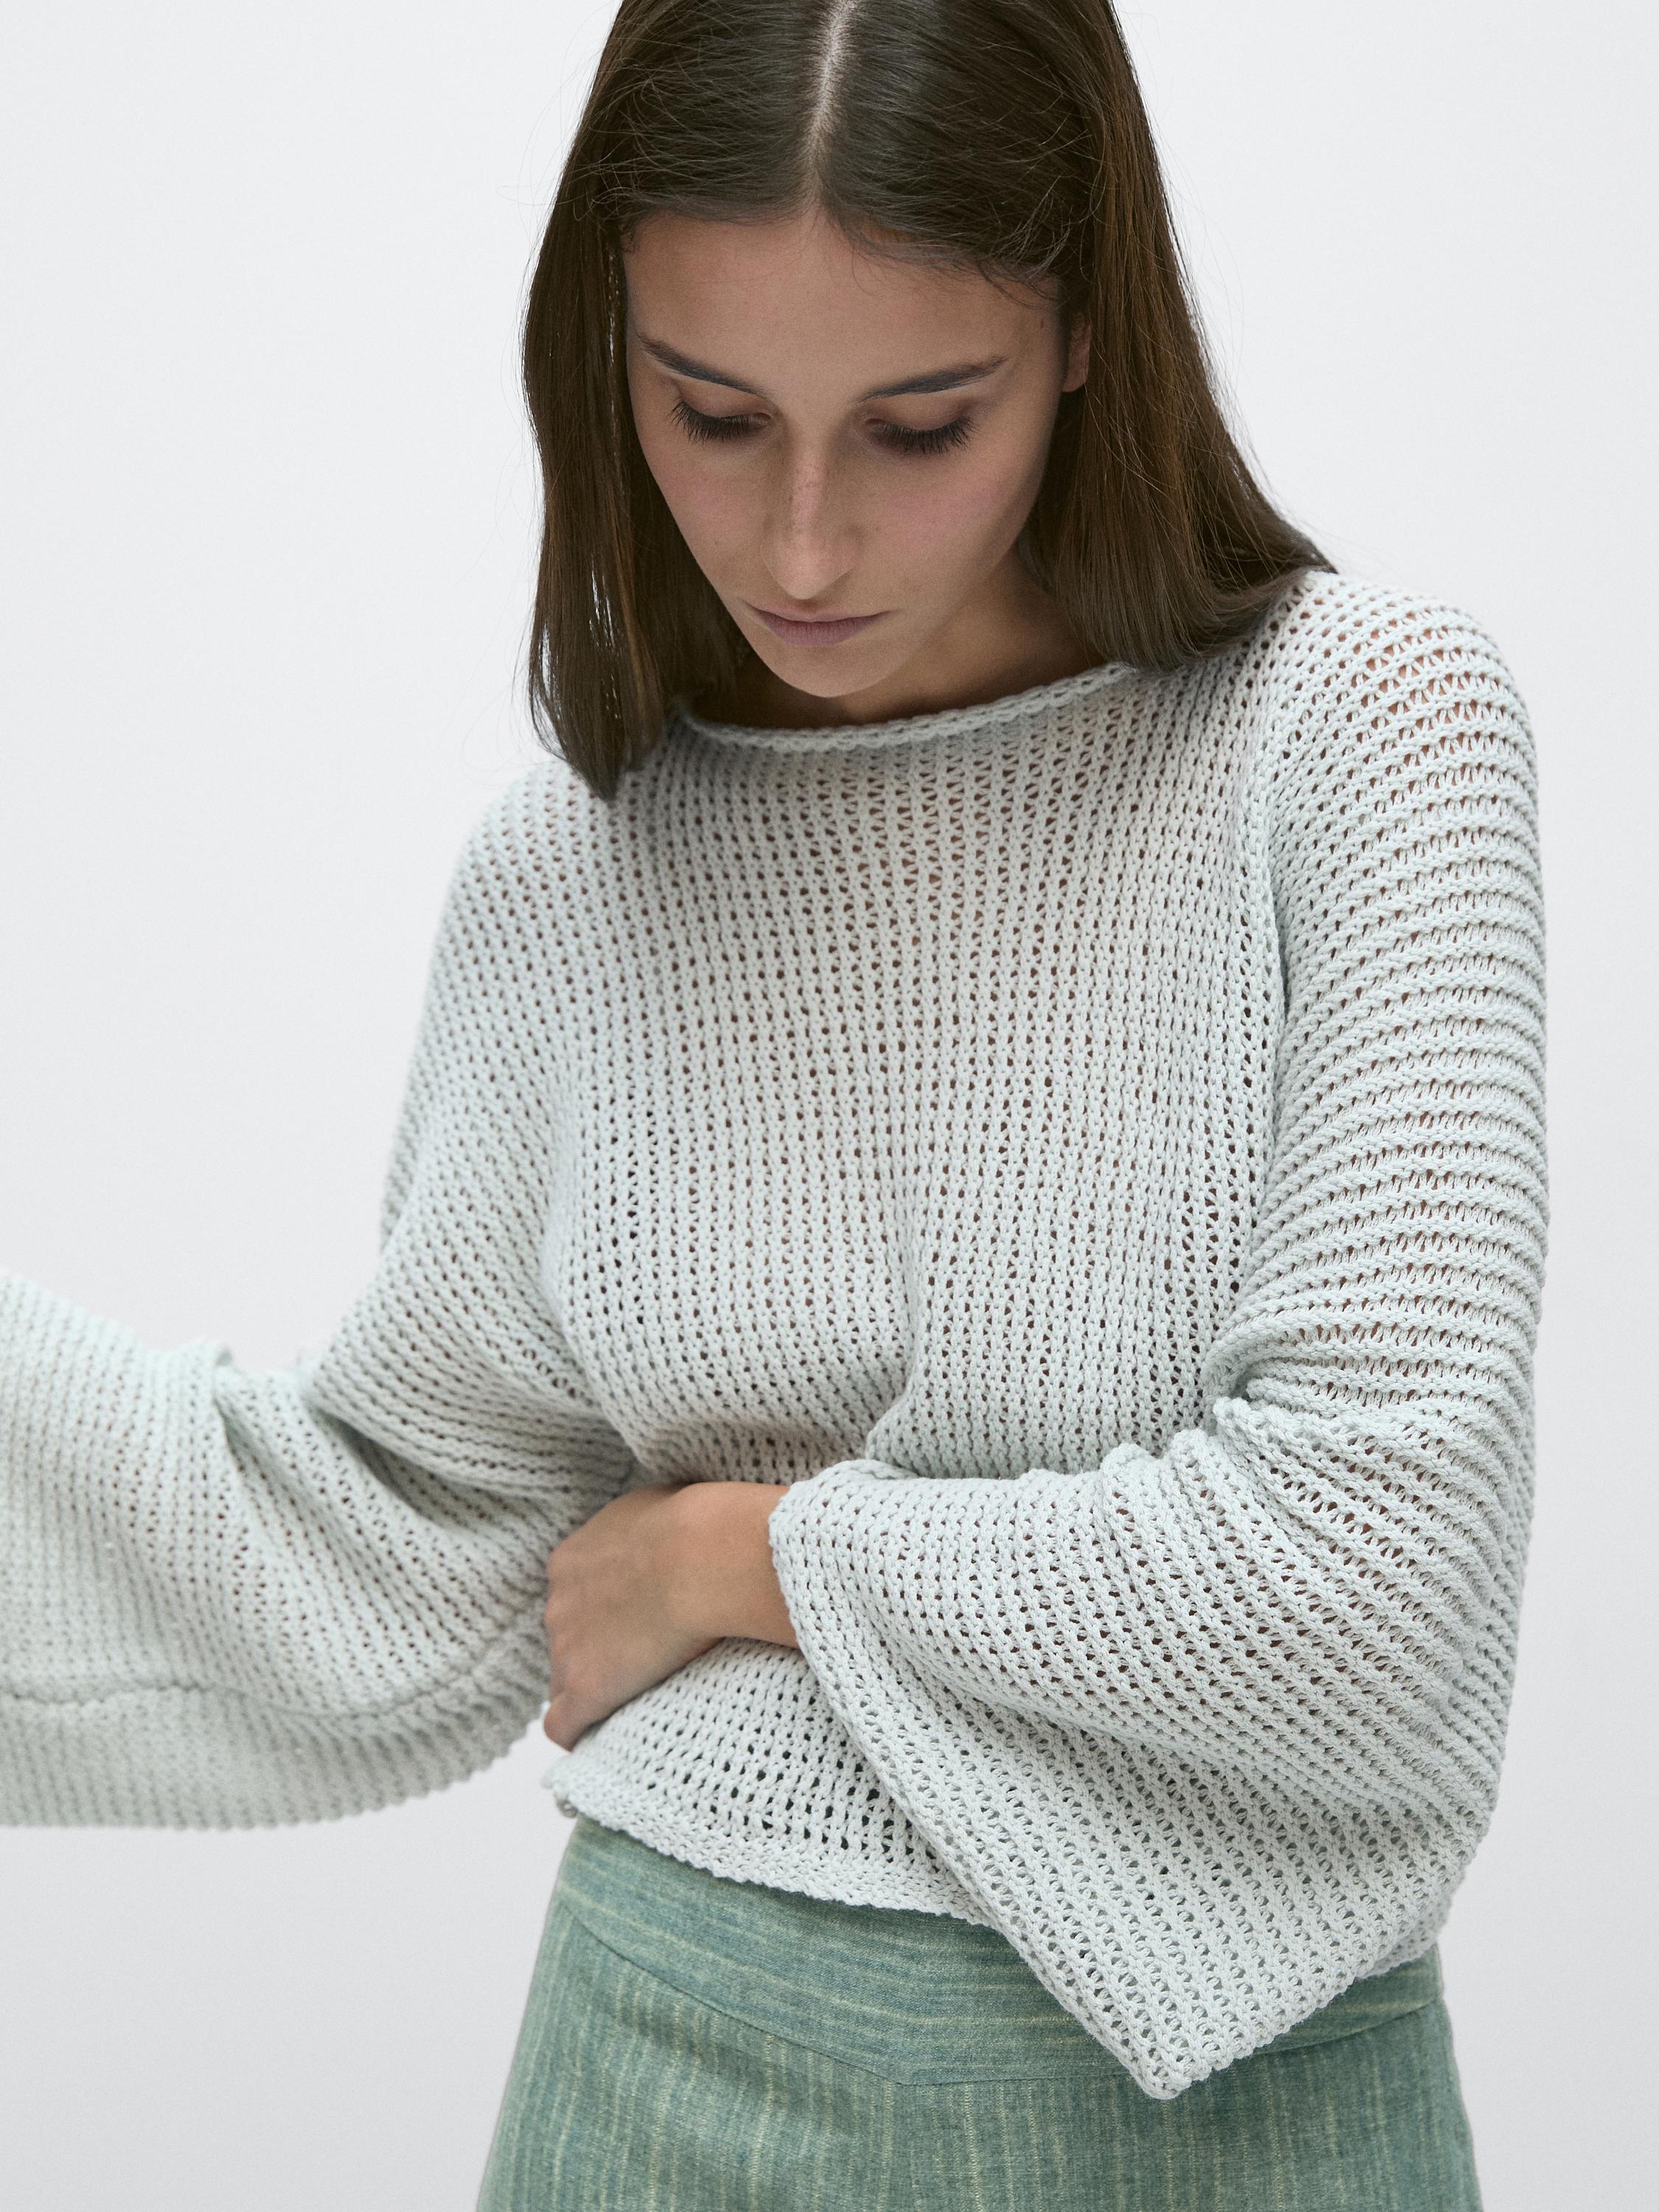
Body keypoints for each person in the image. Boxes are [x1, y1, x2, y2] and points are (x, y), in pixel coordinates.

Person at [1, 2, 1547, 2206]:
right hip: (659, 2077)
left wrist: (757, 1559)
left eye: (920, 424)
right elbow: (380, 1553)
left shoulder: (1361, 740)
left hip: (1242, 2123)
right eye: (708, 414)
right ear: (597, 352)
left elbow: (1370, 1593)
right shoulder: (581, 869)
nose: (800, 541)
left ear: (1087, 331)